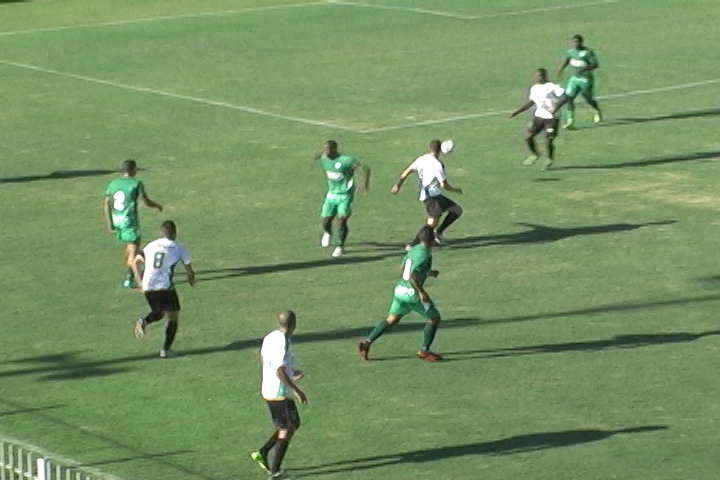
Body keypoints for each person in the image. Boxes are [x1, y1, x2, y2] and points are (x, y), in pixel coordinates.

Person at [357, 226, 443, 362]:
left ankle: (367, 342)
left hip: (400, 290)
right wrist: (421, 292)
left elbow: (403, 268)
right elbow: (412, 275)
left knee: (392, 319)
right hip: (412, 294)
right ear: (433, 239)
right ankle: (425, 351)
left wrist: (428, 273)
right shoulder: (425, 254)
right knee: (433, 318)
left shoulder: (414, 249)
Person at [251, 311, 308, 479]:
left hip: (270, 388)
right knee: (286, 427)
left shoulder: (270, 336)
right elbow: (278, 370)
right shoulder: (282, 341)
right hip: (278, 392)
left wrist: (291, 373)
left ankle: (264, 452)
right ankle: (274, 471)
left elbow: (264, 360)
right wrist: (296, 389)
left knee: (292, 424)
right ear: (294, 324)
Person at [133, 220, 195, 358]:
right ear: (174, 233)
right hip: (165, 286)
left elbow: (135, 262)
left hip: (148, 285)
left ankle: (145, 321)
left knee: (160, 313)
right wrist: (191, 280)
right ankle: (165, 350)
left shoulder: (150, 246)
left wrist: (139, 281)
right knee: (173, 316)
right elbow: (189, 271)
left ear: (161, 233)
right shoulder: (179, 248)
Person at [391, 140, 462, 247]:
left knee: (456, 210)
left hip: (428, 195)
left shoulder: (421, 159)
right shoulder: (437, 165)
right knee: (431, 223)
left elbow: (406, 173)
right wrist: (455, 189)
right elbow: (444, 185)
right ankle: (413, 244)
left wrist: (398, 185)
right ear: (440, 151)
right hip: (432, 197)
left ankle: (437, 233)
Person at [103, 159, 163, 288]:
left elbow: (106, 203)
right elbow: (145, 201)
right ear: (132, 170)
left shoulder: (113, 184)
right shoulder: (136, 183)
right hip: (130, 223)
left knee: (130, 249)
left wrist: (110, 222)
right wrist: (157, 205)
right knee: (133, 256)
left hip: (118, 222)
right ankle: (142, 284)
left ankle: (129, 279)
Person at [316, 140, 370, 258]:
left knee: (341, 220)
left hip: (345, 195)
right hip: (331, 194)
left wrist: (364, 183)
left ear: (335, 149)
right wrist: (316, 155)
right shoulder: (324, 158)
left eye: (328, 150)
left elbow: (365, 168)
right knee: (325, 220)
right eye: (324, 150)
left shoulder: (346, 160)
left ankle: (340, 246)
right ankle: (327, 232)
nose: (325, 152)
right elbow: (318, 155)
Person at [509, 68, 563, 170]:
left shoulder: (553, 87)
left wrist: (556, 108)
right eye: (536, 76)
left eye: (539, 76)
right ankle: (535, 154)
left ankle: (549, 158)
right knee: (528, 137)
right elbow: (531, 102)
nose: (537, 77)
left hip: (552, 118)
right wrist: (518, 111)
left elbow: (564, 97)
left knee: (548, 141)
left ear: (544, 76)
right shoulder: (534, 88)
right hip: (539, 116)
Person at [556, 34, 602, 129]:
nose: (576, 44)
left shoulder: (587, 52)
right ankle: (570, 121)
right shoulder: (571, 52)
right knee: (569, 98)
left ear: (581, 42)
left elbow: (595, 64)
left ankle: (596, 110)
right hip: (574, 79)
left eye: (578, 42)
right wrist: (561, 69)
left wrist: (585, 69)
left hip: (585, 79)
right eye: (574, 42)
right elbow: (567, 60)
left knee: (588, 99)